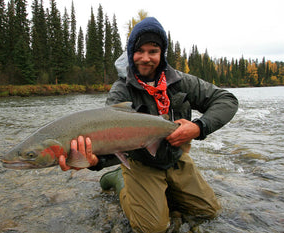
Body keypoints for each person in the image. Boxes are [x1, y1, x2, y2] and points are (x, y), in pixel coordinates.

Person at [59, 17, 238, 232]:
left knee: (208, 212)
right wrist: (95, 160)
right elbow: (110, 142)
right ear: (130, 53)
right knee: (152, 228)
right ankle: (119, 181)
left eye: (153, 51)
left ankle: (165, 192)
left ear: (161, 54)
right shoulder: (121, 91)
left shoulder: (181, 81)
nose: (146, 58)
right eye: (139, 51)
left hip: (175, 157)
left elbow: (227, 100)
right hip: (141, 164)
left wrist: (199, 127)